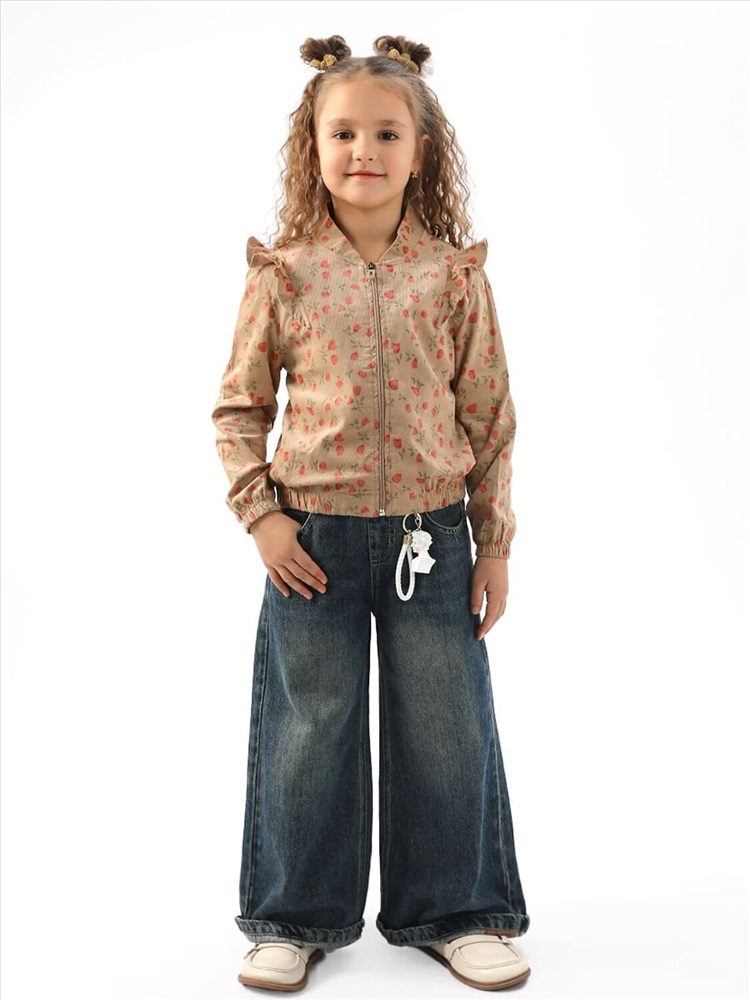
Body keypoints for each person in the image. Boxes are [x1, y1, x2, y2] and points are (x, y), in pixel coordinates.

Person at [211, 33, 531, 993]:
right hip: (311, 543)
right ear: (311, 148)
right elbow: (238, 409)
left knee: (447, 727)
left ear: (421, 150)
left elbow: (491, 416)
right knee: (309, 732)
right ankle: (292, 919)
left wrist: (494, 543)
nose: (364, 150)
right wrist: (264, 518)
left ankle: (458, 911)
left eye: (387, 133)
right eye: (343, 132)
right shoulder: (284, 273)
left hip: (433, 540)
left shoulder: (454, 276)